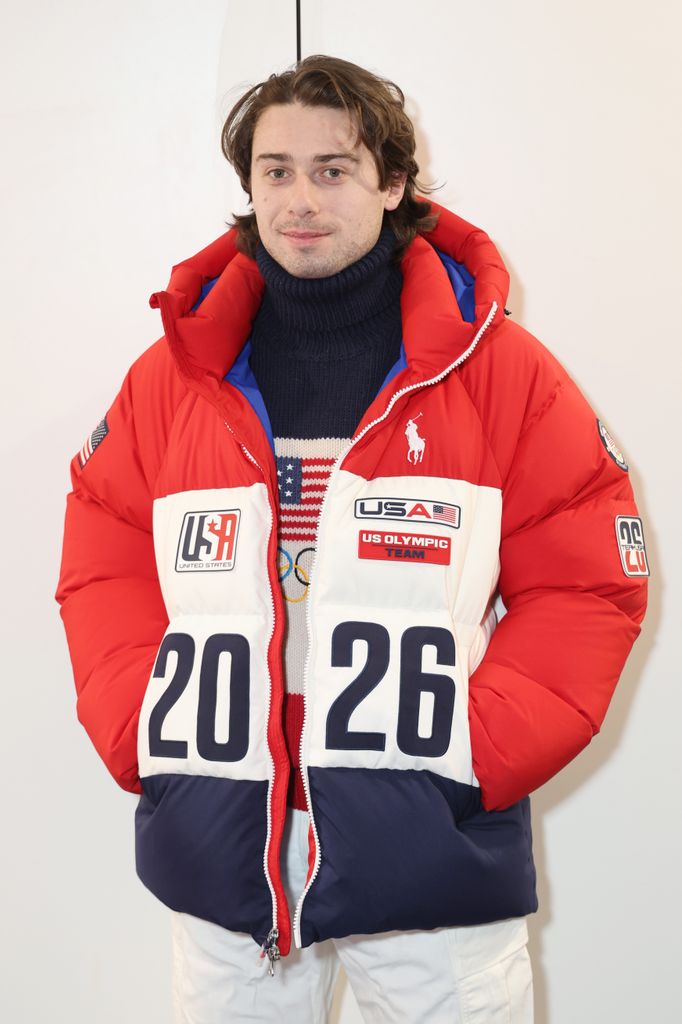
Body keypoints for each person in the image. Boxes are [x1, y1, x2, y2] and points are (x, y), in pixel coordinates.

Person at [56, 54, 649, 1023]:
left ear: (392, 182)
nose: (301, 197)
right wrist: (143, 727)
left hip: (426, 849)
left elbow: (589, 583)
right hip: (227, 838)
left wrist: (470, 753)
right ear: (247, 187)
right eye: (275, 170)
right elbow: (103, 557)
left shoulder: (497, 371)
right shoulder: (173, 378)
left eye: (333, 169)